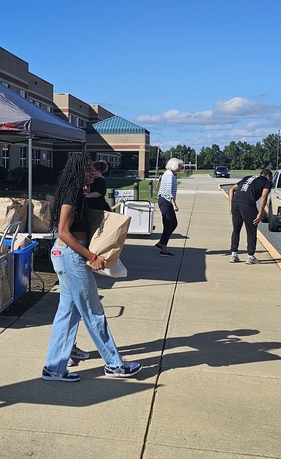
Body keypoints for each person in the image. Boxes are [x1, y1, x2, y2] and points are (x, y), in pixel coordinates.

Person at [41, 153, 141, 382]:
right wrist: (91, 255)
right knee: (93, 311)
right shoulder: (72, 193)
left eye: (93, 169)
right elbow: (64, 232)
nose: (93, 172)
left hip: (69, 255)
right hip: (71, 255)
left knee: (68, 313)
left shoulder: (78, 192)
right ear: (78, 171)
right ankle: (114, 365)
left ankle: (54, 369)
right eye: (88, 169)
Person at [228, 169, 273, 264]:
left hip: (236, 202)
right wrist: (260, 213)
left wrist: (231, 205)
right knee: (251, 230)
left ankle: (233, 254)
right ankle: (250, 256)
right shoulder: (267, 182)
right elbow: (264, 196)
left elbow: (232, 189)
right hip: (248, 205)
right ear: (268, 176)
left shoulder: (247, 177)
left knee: (236, 229)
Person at [155, 158, 183, 257]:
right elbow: (169, 191)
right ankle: (163, 248)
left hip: (165, 200)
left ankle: (161, 243)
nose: (181, 167)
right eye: (180, 165)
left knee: (173, 223)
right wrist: (174, 204)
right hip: (165, 201)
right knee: (169, 224)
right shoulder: (170, 175)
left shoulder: (168, 174)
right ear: (174, 165)